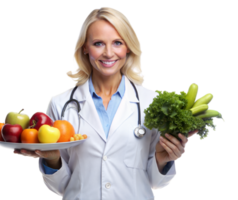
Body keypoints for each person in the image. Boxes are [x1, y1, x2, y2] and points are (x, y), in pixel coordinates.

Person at [13, 5, 197, 200]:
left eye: (117, 43)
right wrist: (52, 159)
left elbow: (156, 183)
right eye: (99, 43)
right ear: (85, 47)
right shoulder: (61, 103)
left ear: (128, 47)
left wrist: (163, 158)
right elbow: (62, 186)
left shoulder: (151, 103)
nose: (109, 53)